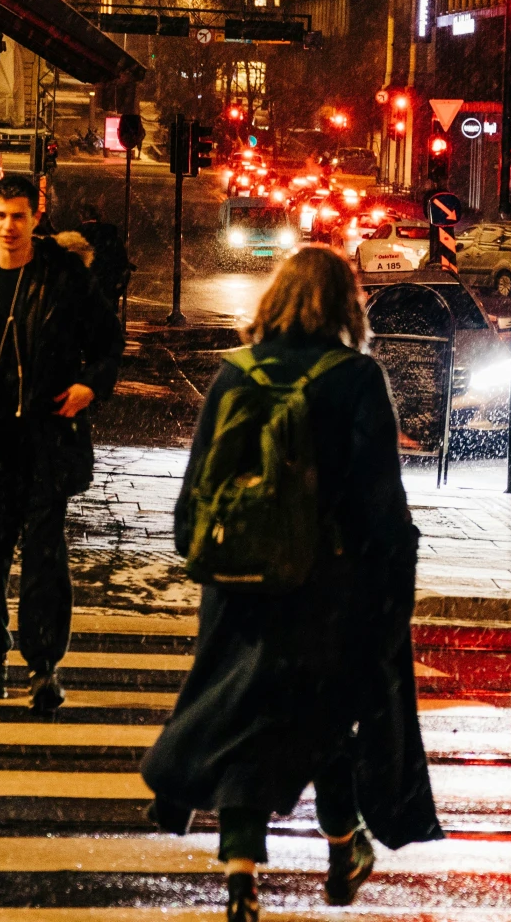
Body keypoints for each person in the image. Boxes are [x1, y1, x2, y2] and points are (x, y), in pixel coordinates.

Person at [142, 245, 440, 922]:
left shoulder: (235, 373)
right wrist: (389, 590)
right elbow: (381, 504)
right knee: (324, 719)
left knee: (245, 717)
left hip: (239, 584)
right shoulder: (356, 378)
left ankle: (241, 873)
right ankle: (343, 844)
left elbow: (196, 490)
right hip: (322, 587)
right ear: (345, 304)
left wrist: (206, 559)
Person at [0, 172, 123, 714]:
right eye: (0, 216)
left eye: (19, 215)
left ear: (37, 217)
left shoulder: (65, 277)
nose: (8, 226)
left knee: (44, 557)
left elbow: (109, 343)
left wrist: (91, 385)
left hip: (44, 436)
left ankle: (43, 667)